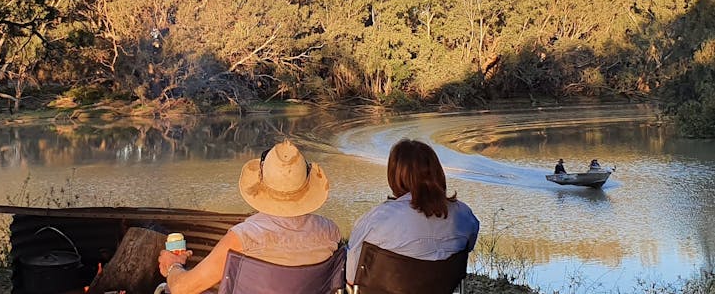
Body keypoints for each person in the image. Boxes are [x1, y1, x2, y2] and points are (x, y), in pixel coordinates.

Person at [157, 139, 340, 294]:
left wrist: (173, 265)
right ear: (306, 184)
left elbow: (183, 288)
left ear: (261, 182)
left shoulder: (244, 237)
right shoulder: (330, 232)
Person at [346, 139, 480, 285]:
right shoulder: (464, 214)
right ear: (437, 172)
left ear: (395, 176)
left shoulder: (378, 219)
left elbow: (352, 276)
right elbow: (468, 247)